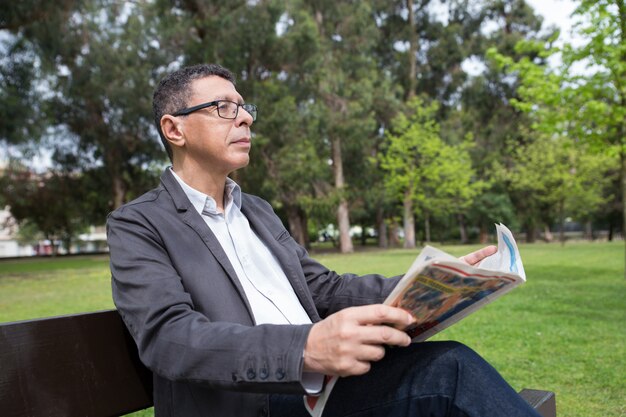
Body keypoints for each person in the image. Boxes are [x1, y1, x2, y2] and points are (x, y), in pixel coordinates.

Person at [107, 63, 541, 417]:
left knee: (449, 366)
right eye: (223, 107)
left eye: (244, 107)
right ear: (174, 129)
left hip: (331, 387)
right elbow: (170, 337)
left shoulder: (255, 210)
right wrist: (305, 349)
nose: (245, 118)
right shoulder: (139, 224)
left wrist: (437, 280)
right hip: (257, 401)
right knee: (451, 372)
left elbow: (324, 288)